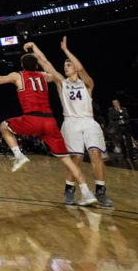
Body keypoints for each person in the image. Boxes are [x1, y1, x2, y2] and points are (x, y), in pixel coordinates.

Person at [0, 48, 98, 206]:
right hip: (50, 121)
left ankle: (19, 155)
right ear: (37, 67)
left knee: (4, 126)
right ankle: (87, 192)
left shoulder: (18, 75)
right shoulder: (44, 76)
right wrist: (41, 58)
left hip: (32, 119)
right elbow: (53, 73)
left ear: (22, 65)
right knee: (67, 160)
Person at [35, 37, 113, 207]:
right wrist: (34, 46)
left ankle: (100, 191)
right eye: (65, 65)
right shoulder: (61, 83)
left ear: (75, 69)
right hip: (71, 122)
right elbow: (45, 63)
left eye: (68, 65)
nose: (65, 67)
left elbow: (81, 67)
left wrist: (66, 50)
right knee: (76, 158)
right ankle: (69, 189)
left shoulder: (87, 84)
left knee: (95, 154)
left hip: (88, 121)